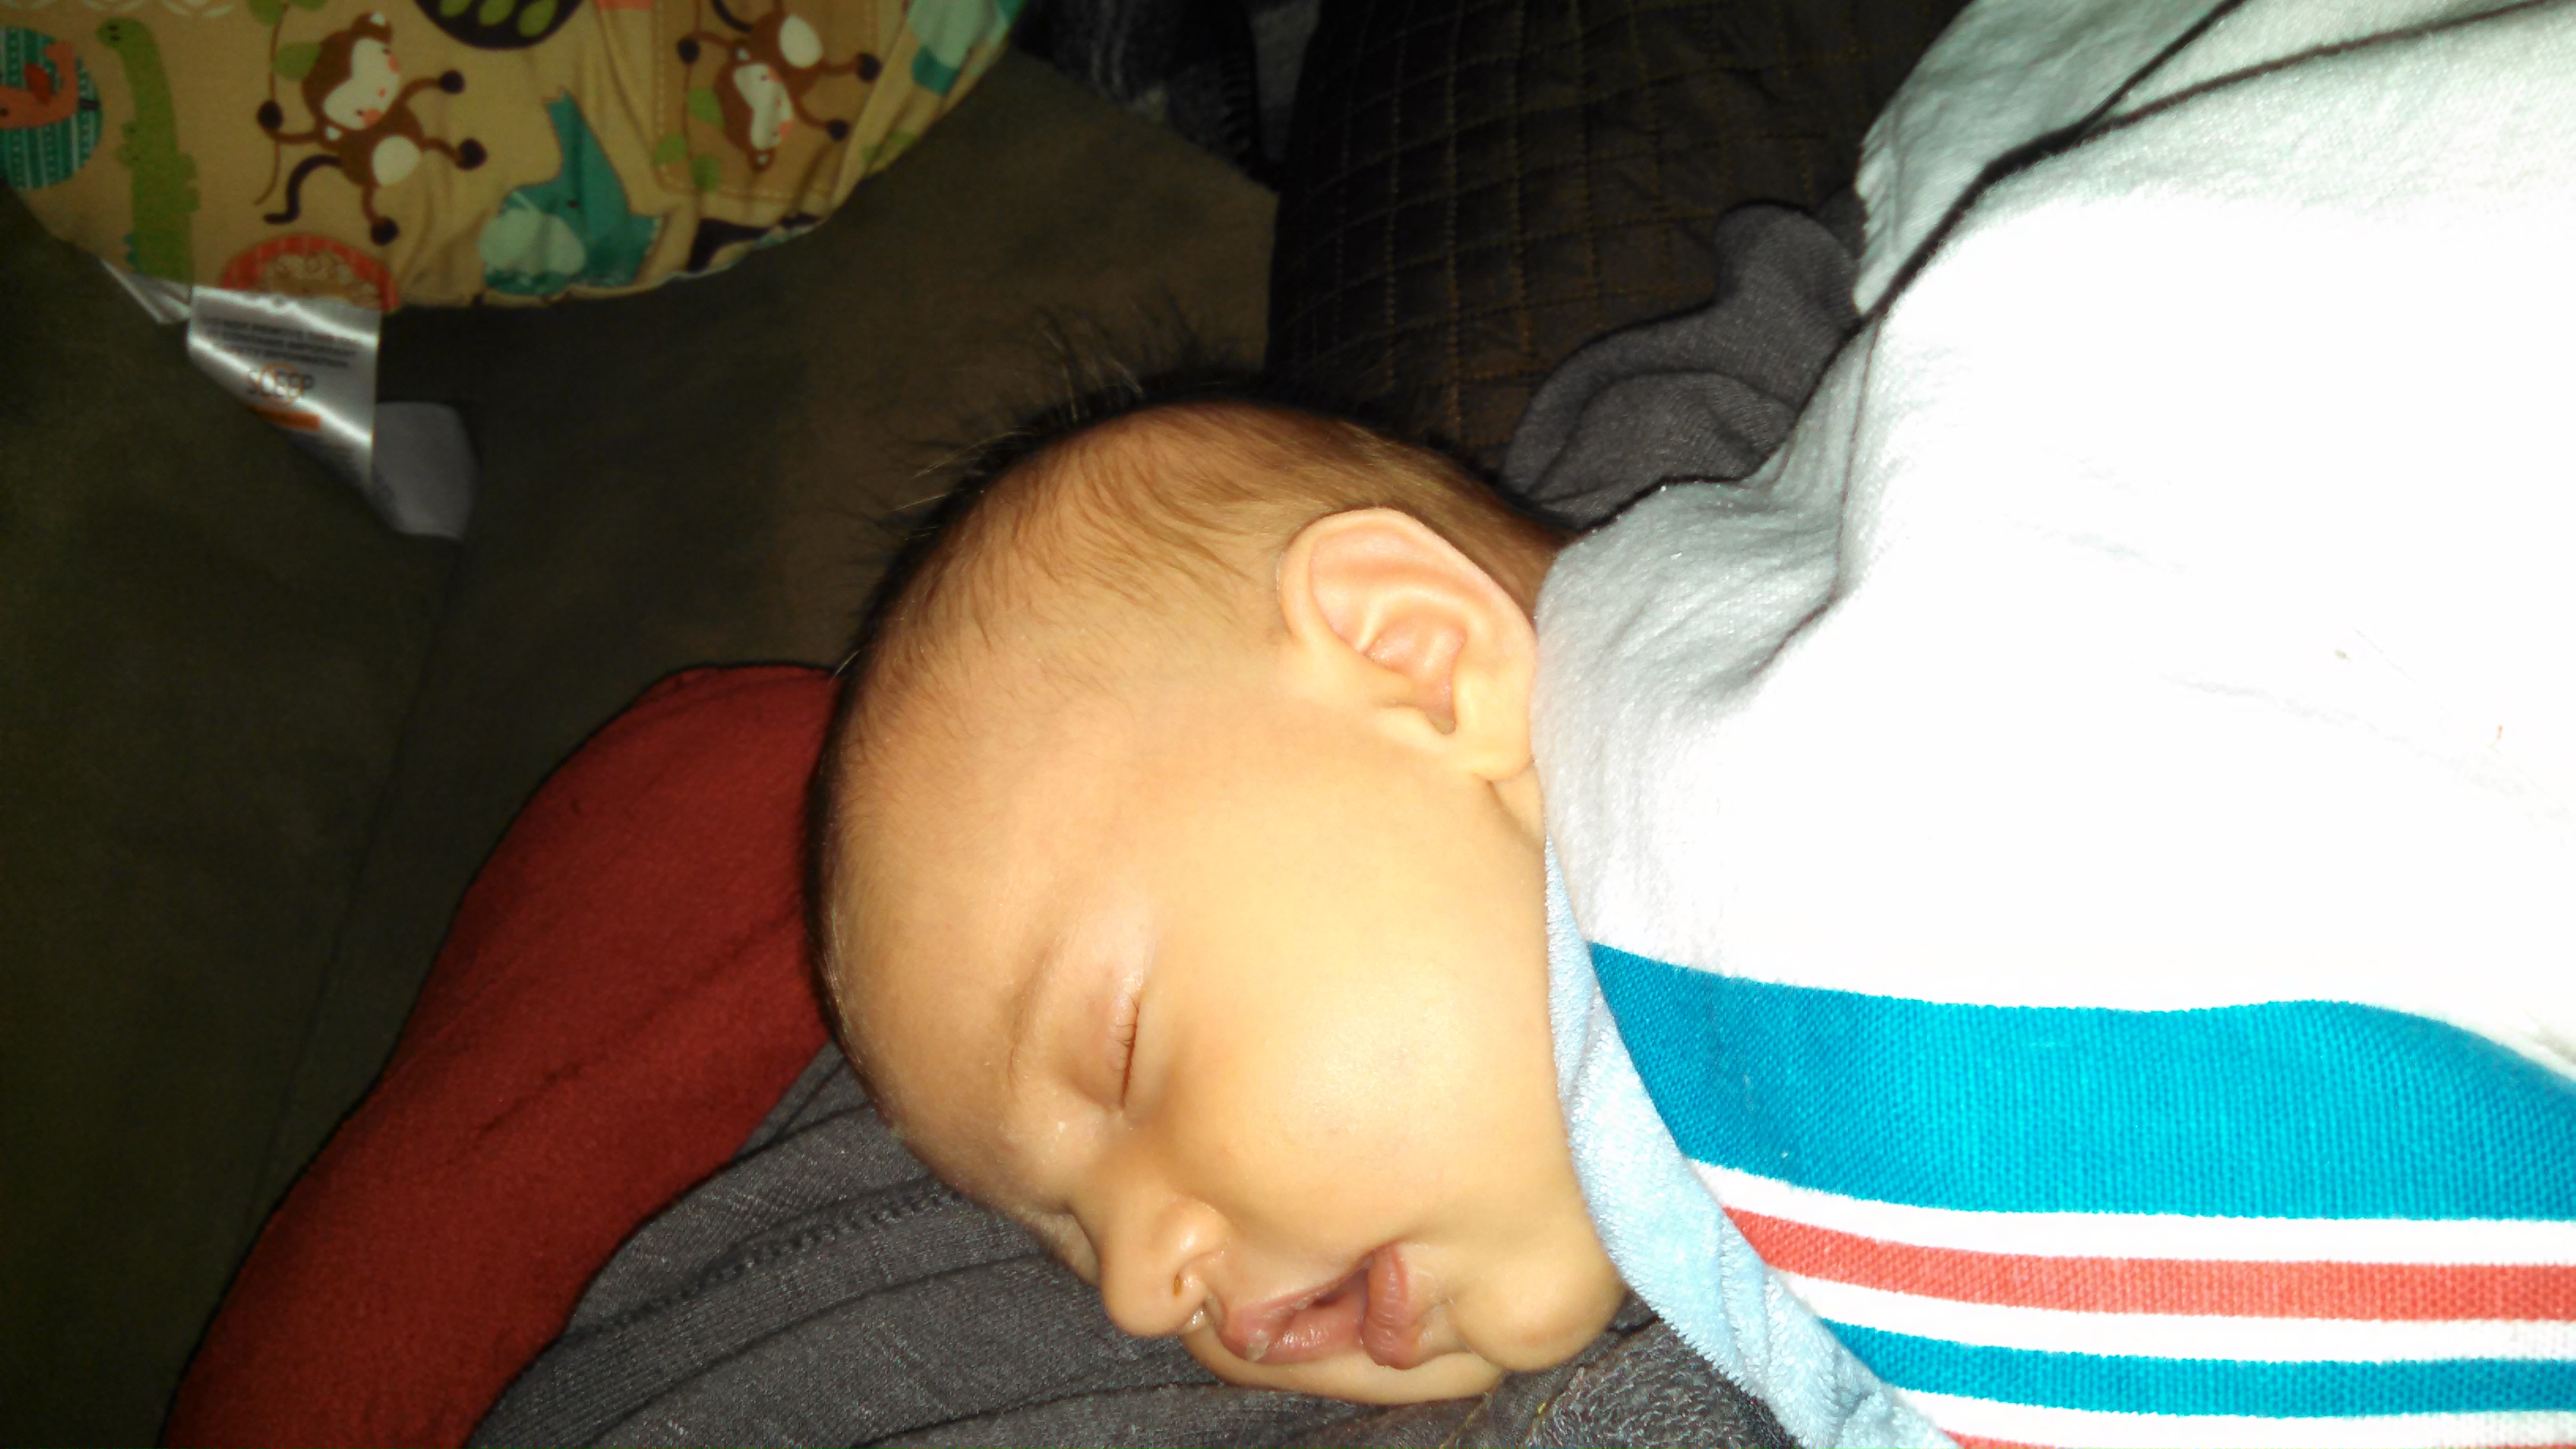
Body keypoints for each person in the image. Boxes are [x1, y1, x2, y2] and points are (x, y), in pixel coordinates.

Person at [814, 1, 2576, 1445]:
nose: (1144, 1289)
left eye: (1124, 1054)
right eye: (1062, 1235)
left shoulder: (1828, 924)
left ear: (1422, 664)